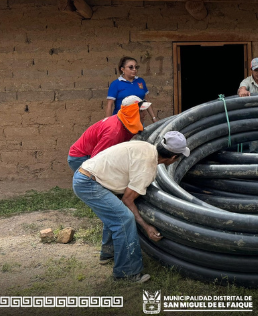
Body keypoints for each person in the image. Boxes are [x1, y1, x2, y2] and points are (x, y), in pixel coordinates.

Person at [72, 131, 190, 283]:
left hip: (87, 175)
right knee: (124, 219)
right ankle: (127, 273)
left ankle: (109, 253)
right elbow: (128, 200)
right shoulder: (148, 166)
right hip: (89, 183)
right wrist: (146, 226)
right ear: (173, 158)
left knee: (115, 213)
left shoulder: (146, 147)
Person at [67, 96, 152, 172]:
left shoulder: (126, 123)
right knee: (96, 181)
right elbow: (97, 160)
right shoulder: (114, 132)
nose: (145, 114)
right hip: (82, 157)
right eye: (141, 111)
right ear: (131, 113)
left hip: (91, 155)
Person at [106, 56, 157, 123]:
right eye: (131, 67)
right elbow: (109, 105)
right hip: (121, 121)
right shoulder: (116, 84)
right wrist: (108, 123)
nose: (134, 69)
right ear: (122, 69)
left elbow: (146, 100)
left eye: (136, 67)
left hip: (138, 122)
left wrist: (154, 118)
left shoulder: (140, 81)